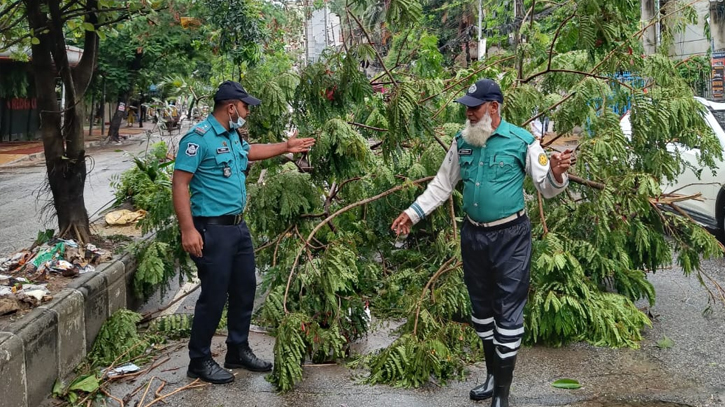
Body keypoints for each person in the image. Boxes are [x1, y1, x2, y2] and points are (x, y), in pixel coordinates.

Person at [390, 79, 572, 407]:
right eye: (467, 108)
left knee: (508, 311)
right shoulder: (462, 142)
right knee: (482, 310)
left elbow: (547, 187)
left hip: (511, 239)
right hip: (473, 236)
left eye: (474, 107)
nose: (469, 113)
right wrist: (412, 213)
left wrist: (557, 173)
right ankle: (491, 376)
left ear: (493, 107)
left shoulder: (523, 142)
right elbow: (442, 184)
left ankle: (502, 394)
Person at [172, 80, 316, 384]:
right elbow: (180, 184)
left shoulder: (233, 136)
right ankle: (199, 359)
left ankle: (237, 349)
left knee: (244, 289)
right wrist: (187, 230)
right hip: (211, 229)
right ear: (231, 107)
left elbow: (252, 152)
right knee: (213, 295)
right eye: (245, 106)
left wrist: (286, 147)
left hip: (238, 227)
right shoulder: (199, 139)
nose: (247, 112)